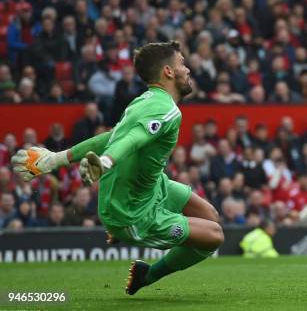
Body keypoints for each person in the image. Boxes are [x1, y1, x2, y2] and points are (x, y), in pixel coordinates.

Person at [11, 41, 224, 295]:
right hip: (133, 212)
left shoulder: (142, 101)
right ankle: (147, 274)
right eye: (182, 64)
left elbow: (110, 138)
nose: (188, 69)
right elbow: (133, 140)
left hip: (151, 187)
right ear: (168, 71)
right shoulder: (168, 111)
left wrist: (54, 159)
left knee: (210, 216)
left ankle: (121, 233)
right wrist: (106, 162)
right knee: (215, 236)